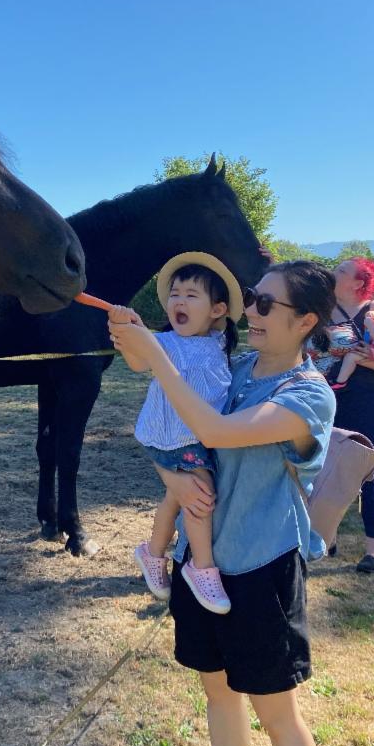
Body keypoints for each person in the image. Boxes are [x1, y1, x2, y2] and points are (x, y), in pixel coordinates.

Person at [108, 260, 336, 746]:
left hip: (260, 567)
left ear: (306, 321)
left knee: (278, 717)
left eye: (266, 304)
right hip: (199, 564)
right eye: (252, 297)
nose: (250, 310)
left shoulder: (308, 396)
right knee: (218, 695)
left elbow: (214, 430)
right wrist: (174, 479)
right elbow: (172, 436)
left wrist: (158, 356)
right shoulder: (231, 367)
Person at [121, 253, 242, 614]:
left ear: (217, 310)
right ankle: (201, 567)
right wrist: (129, 333)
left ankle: (153, 552)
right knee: (200, 498)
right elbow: (138, 361)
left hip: (196, 434)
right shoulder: (166, 341)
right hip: (175, 436)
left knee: (175, 497)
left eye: (191, 295)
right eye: (175, 294)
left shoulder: (219, 342)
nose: (179, 301)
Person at [322, 257, 374, 572]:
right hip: (328, 395)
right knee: (324, 466)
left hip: (368, 397)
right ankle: (327, 537)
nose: (333, 273)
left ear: (358, 283)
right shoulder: (325, 309)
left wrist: (367, 359)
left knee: (365, 471)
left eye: (341, 271)